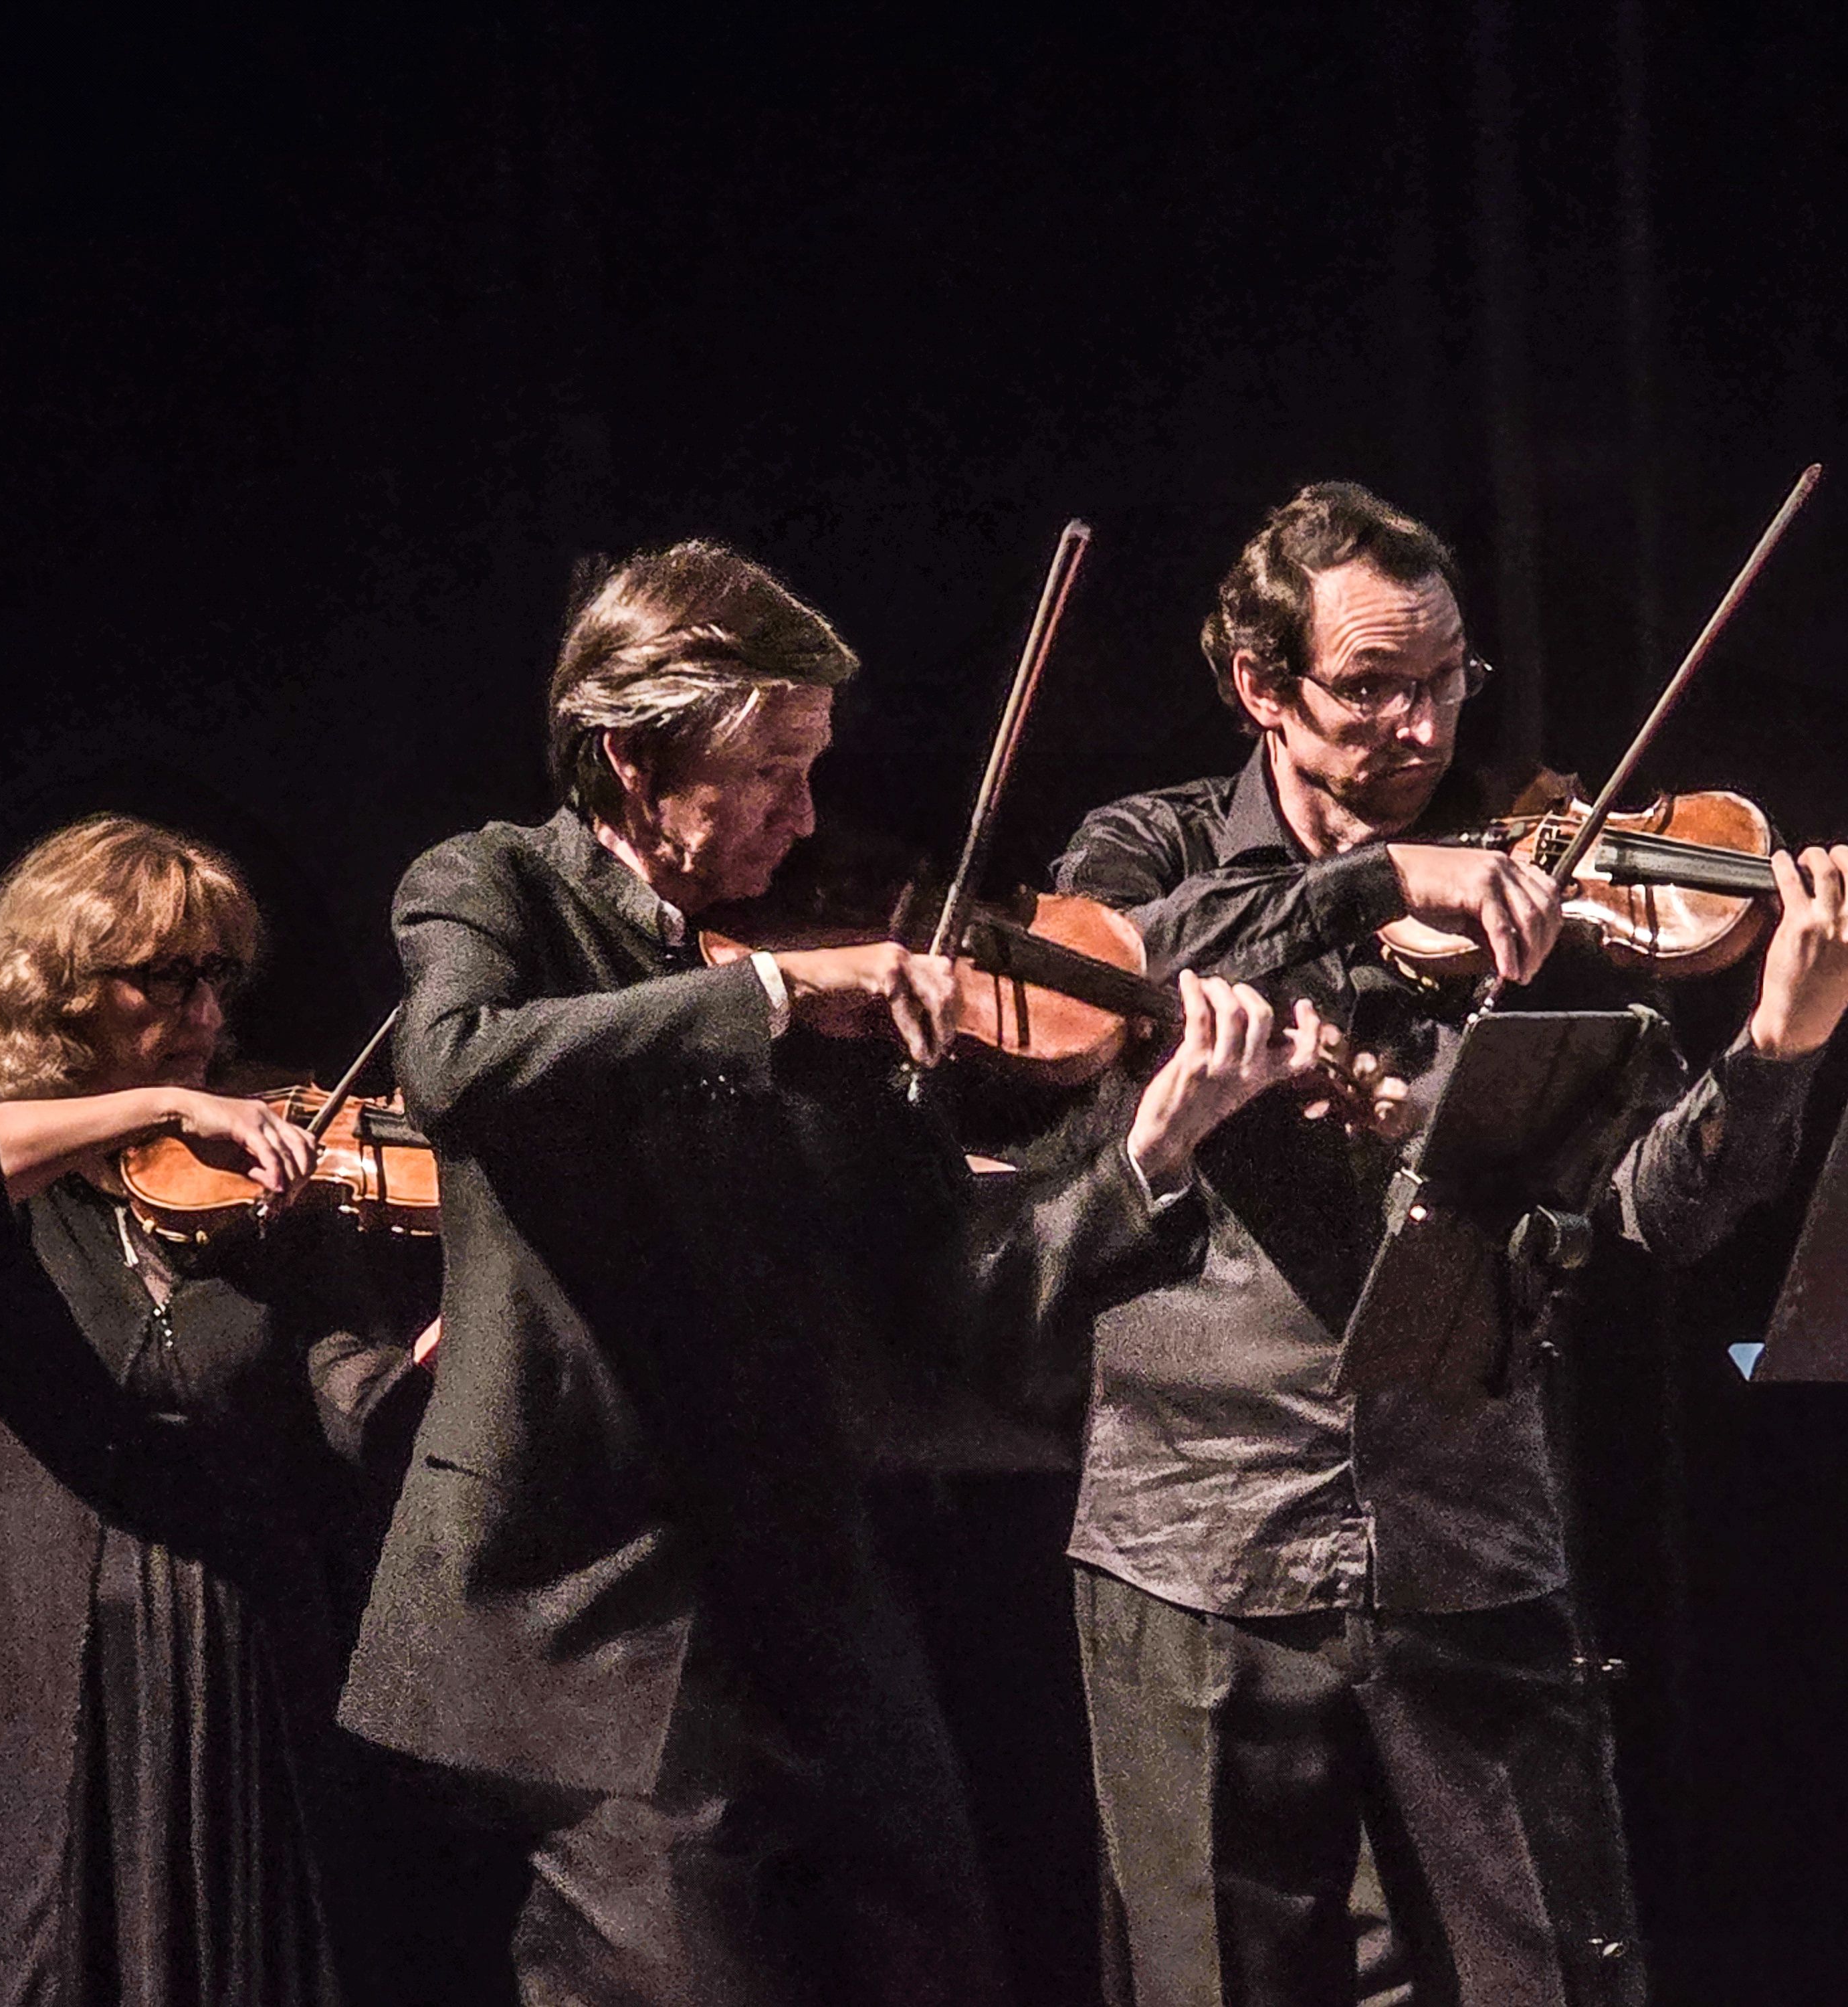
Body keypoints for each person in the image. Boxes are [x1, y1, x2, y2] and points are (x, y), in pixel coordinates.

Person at [336, 539, 1319, 2007]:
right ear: (626, 757)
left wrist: (1151, 1152)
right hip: (585, 1608)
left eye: (814, 767)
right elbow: (457, 1068)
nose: (805, 820)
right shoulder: (494, 891)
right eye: (769, 770)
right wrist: (775, 992)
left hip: (805, 1592)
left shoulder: (829, 1000)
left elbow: (962, 1300)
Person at [1033, 482, 1848, 2007]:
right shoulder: (1147, 848)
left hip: (1469, 1543)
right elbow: (1081, 968)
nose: (1417, 730)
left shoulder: (1535, 868)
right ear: (1259, 685)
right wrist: (1375, 880)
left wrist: (1785, 1037)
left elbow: (1648, 1216)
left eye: (1442, 684)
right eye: (1368, 689)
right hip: (1195, 1546)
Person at [0, 815, 428, 2007]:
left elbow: (343, 1390)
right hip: (24, 1652)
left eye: (218, 976)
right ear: (61, 992)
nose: (208, 1014)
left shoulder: (268, 1183)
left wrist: (438, 1371)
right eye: (166, 978)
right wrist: (155, 1108)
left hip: (234, 1648)